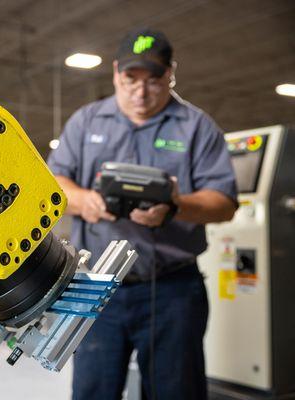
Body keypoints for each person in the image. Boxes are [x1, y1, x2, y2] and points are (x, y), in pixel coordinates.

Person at [47, 28, 238, 400]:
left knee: (176, 392)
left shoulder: (197, 127)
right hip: (95, 286)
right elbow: (53, 184)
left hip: (172, 291)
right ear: (116, 72)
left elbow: (225, 202)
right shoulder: (86, 122)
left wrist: (177, 207)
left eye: (154, 80)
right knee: (92, 391)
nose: (140, 90)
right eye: (130, 79)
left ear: (170, 74)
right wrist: (85, 199)